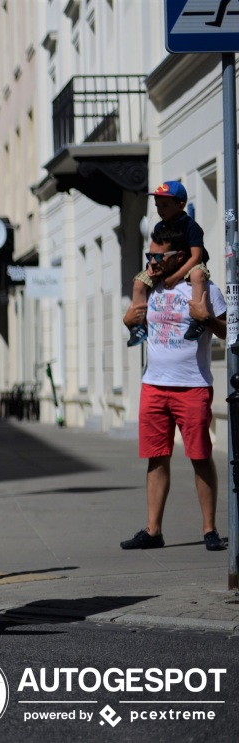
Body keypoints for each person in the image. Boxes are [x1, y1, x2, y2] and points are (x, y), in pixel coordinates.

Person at [120, 224, 227, 552]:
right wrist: (129, 320)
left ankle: (209, 529)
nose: (152, 261)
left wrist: (206, 318)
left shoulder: (205, 288)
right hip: (153, 385)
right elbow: (133, 318)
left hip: (192, 386)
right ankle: (153, 531)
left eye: (158, 255)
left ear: (179, 255)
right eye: (148, 254)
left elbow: (229, 332)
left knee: (199, 456)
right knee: (156, 458)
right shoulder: (151, 287)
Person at [127, 181, 209, 346]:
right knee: (138, 282)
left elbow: (196, 257)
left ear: (181, 204)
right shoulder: (159, 227)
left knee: (198, 275)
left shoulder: (191, 226)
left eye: (165, 205)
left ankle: (197, 321)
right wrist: (151, 267)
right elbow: (156, 253)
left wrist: (175, 277)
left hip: (188, 266)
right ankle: (139, 326)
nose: (160, 210)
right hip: (164, 267)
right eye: (157, 206)